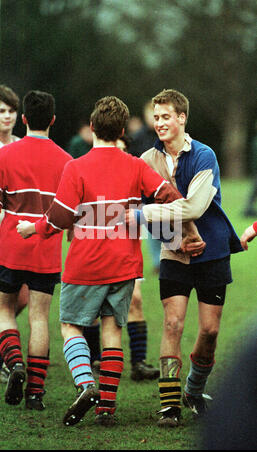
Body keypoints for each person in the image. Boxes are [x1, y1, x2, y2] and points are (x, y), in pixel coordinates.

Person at [17, 95, 205, 427]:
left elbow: (60, 217)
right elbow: (170, 196)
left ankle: (87, 385)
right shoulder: (136, 165)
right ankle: (106, 408)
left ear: (92, 129)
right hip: (124, 265)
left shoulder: (76, 167)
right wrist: (188, 228)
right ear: (121, 129)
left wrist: (33, 227)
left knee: (70, 326)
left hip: (84, 264)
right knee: (112, 329)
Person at [126, 88, 243, 428]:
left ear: (182, 118)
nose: (160, 123)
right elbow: (138, 207)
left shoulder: (205, 155)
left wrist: (149, 212)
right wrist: (174, 240)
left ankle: (193, 390)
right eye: (156, 117)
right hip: (173, 254)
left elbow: (194, 206)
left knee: (209, 332)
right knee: (173, 323)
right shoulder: (147, 160)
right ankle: (169, 404)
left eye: (166, 117)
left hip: (213, 251)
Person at [0, 90, 72, 411]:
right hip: (47, 248)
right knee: (40, 318)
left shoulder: (5, 155)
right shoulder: (67, 162)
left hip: (11, 245)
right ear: (53, 120)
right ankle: (35, 395)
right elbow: (67, 213)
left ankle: (14, 363)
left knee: (3, 311)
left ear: (24, 118)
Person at [83, 134, 160, 382]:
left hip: (126, 251)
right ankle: (95, 358)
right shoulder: (90, 169)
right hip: (94, 251)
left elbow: (151, 205)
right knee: (93, 306)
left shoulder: (134, 170)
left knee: (135, 299)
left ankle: (138, 363)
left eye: (122, 147)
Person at [0, 85, 29, 384]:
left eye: (11, 111)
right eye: (1, 111)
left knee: (21, 297)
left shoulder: (22, 145)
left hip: (17, 235)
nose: (7, 116)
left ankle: (5, 350)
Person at [130, 100, 162, 273]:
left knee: (167, 221)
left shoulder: (164, 135)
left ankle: (169, 257)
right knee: (151, 222)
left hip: (164, 184)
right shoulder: (138, 137)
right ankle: (157, 261)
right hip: (146, 187)